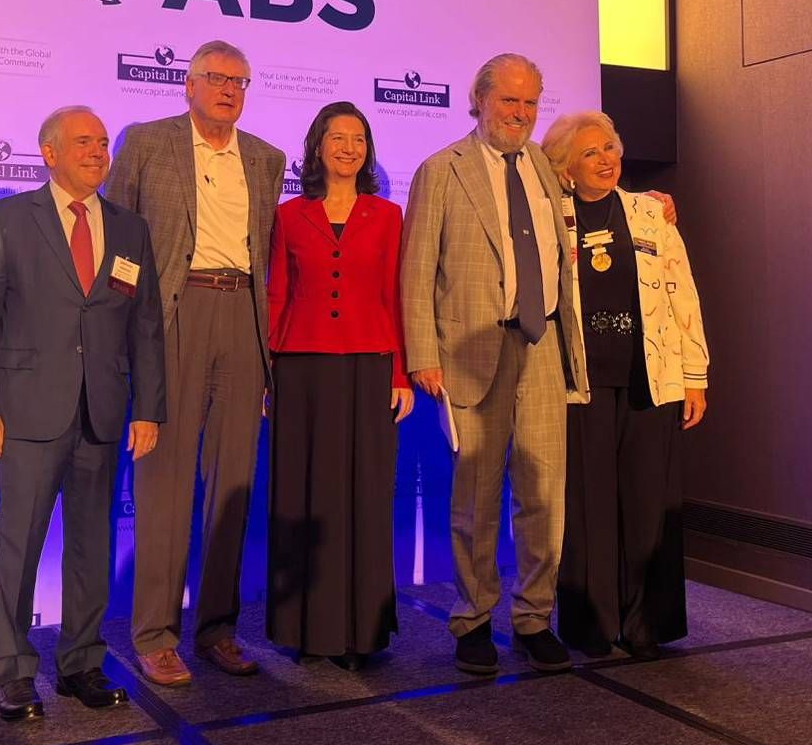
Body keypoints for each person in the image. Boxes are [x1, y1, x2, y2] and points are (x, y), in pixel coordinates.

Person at [400, 52, 588, 675]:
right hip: (470, 351)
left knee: (544, 493)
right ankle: (474, 619)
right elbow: (417, 270)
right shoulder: (441, 170)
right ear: (478, 100)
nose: (520, 113)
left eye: (530, 102)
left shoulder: (544, 168)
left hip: (543, 345)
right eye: (509, 100)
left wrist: (656, 203)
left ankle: (534, 617)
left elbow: (600, 189)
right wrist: (423, 354)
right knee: (476, 498)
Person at [105, 40, 286, 687]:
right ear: (188, 84)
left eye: (240, 81)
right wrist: (124, 335)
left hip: (243, 316)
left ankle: (217, 629)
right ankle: (155, 634)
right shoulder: (146, 142)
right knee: (164, 480)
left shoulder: (266, 158)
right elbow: (117, 238)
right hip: (172, 317)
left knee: (232, 481)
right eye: (216, 78)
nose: (228, 89)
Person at [0, 106, 165, 719]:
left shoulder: (130, 227)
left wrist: (149, 409)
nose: (98, 152)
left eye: (103, 142)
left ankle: (81, 661)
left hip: (103, 412)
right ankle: (12, 670)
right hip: (26, 410)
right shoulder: (8, 219)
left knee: (91, 546)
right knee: (20, 544)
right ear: (49, 152)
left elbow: (146, 326)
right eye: (83, 142)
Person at [541, 111, 708, 660]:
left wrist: (695, 376)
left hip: (649, 381)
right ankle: (592, 626)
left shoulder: (651, 212)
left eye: (610, 148)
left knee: (646, 506)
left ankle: (644, 626)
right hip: (578, 385)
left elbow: (683, 294)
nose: (606, 160)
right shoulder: (548, 215)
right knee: (587, 508)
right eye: (590, 152)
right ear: (565, 166)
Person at [266, 102, 413, 671]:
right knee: (305, 495)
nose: (349, 148)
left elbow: (396, 295)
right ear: (317, 147)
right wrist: (267, 371)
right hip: (301, 368)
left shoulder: (390, 215)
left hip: (369, 366)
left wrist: (400, 373)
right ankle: (309, 629)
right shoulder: (288, 215)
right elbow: (277, 294)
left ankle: (362, 630)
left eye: (358, 139)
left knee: (366, 495)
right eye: (337, 138)